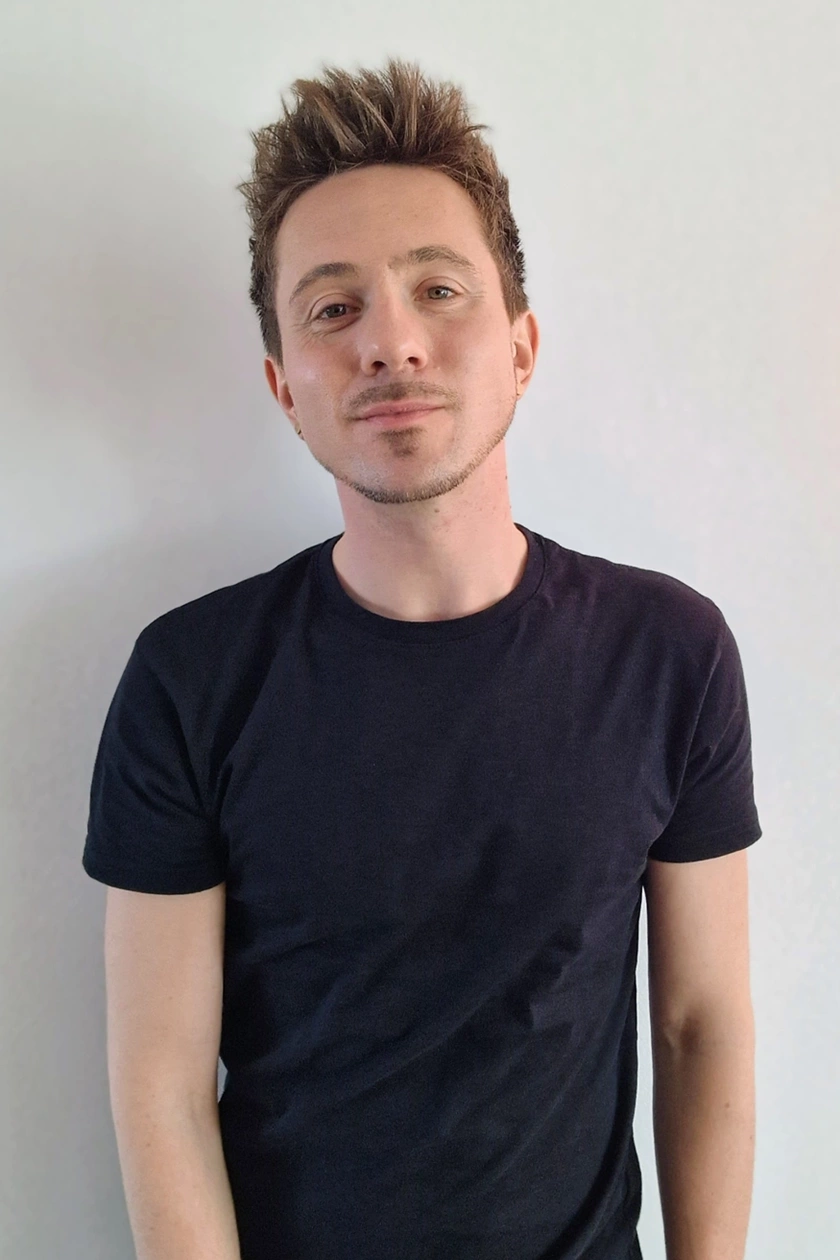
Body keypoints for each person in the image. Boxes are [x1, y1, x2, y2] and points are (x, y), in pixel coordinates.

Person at [82, 57, 761, 1260]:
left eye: (438, 290)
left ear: (522, 346)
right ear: (284, 387)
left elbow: (700, 1025)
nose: (390, 343)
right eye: (332, 309)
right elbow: (163, 1090)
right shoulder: (190, 680)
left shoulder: (670, 653)